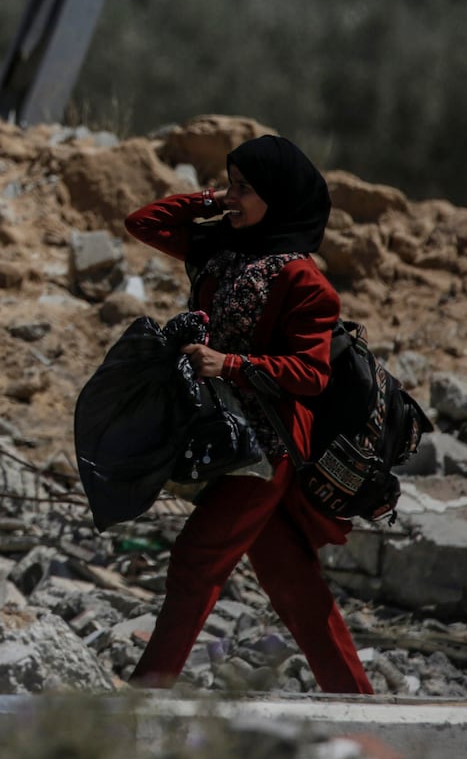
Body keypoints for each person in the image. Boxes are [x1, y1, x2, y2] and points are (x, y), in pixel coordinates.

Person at [124, 134, 373, 694]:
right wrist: (215, 199)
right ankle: (357, 701)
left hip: (266, 448)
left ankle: (144, 697)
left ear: (279, 197)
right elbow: (144, 222)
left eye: (246, 188)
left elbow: (310, 374)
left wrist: (230, 364)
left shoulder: (303, 280)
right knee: (294, 586)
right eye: (230, 184)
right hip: (222, 435)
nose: (233, 198)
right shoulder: (220, 252)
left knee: (194, 562)